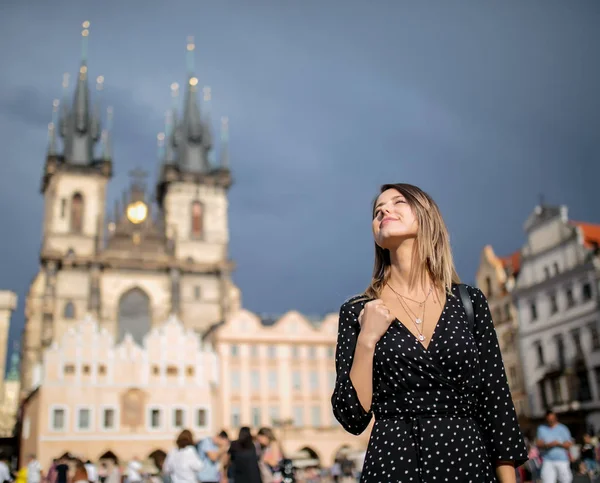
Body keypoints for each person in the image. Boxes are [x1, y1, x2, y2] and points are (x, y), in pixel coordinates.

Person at [331, 183, 528, 482]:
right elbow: (352, 416)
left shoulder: (469, 302)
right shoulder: (357, 311)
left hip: (467, 461)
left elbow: (496, 403)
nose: (384, 210)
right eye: (377, 211)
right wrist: (367, 339)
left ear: (426, 216)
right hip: (393, 463)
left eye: (398, 202)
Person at [536, 410, 573, 483]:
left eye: (552, 418)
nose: (551, 420)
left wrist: (558, 444)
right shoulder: (541, 428)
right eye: (549, 419)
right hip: (547, 460)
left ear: (556, 418)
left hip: (561, 460)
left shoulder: (563, 428)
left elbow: (569, 444)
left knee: (566, 481)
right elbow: (538, 444)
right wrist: (548, 445)